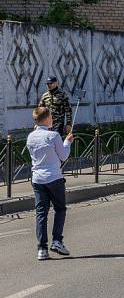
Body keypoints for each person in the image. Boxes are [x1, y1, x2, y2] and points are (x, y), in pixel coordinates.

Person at [27, 107, 74, 260]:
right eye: (51, 117)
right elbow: (63, 155)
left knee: (41, 213)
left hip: (37, 179)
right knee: (60, 209)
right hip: (54, 177)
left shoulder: (30, 137)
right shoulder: (53, 135)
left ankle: (42, 249)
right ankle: (57, 241)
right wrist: (67, 142)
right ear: (47, 119)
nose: (53, 119)